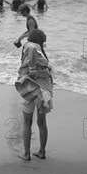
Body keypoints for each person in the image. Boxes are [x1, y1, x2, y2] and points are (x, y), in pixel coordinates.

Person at [14, 29, 53, 161]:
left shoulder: (30, 47)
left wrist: (31, 70)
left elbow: (29, 50)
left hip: (30, 88)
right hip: (44, 91)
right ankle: (42, 151)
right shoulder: (43, 56)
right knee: (42, 122)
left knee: (27, 121)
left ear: (31, 40)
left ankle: (26, 153)